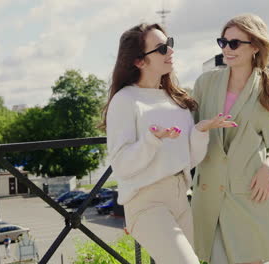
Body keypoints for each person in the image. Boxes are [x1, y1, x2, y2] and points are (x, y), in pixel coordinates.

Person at [101, 23, 237, 264]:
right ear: (139, 61)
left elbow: (189, 159)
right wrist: (152, 140)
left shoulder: (176, 100)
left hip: (181, 196)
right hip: (146, 202)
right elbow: (121, 165)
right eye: (162, 48)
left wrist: (200, 131)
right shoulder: (125, 100)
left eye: (170, 44)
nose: (171, 52)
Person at [191, 14, 269, 264]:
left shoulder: (267, 89)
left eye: (234, 43)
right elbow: (190, 131)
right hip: (211, 193)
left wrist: (268, 168)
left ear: (255, 47)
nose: (227, 48)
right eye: (223, 42)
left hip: (250, 192)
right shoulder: (205, 83)